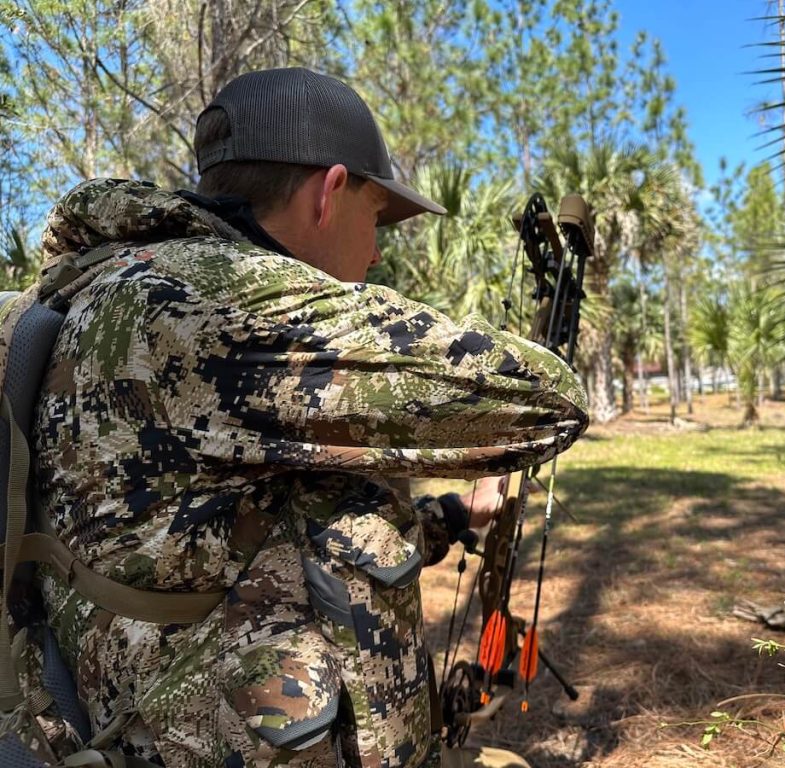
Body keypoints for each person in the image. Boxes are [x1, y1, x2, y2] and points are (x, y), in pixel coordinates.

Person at [31, 68, 588, 767]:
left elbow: (234, 535)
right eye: (377, 216)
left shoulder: (108, 286)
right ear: (328, 193)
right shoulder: (219, 302)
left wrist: (451, 514)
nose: (378, 251)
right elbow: (546, 399)